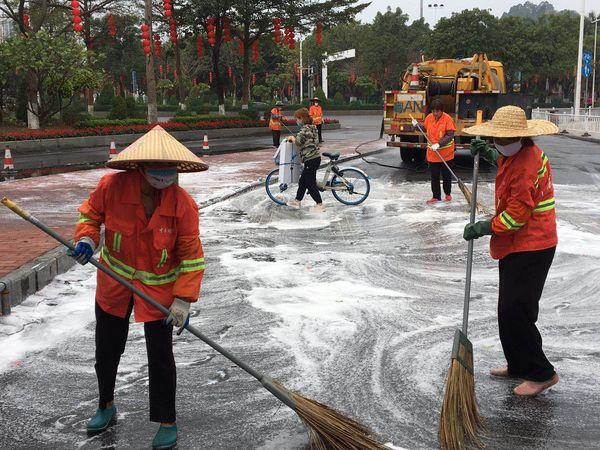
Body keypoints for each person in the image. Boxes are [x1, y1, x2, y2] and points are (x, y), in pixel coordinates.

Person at [70, 125, 207, 448]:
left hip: (159, 292)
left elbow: (191, 257)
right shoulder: (111, 187)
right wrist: (87, 239)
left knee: (161, 356)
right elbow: (90, 215)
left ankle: (167, 420)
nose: (164, 175)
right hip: (114, 283)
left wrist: (183, 301)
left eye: (169, 169)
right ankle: (105, 405)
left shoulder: (182, 204)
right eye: (157, 168)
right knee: (107, 350)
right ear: (141, 168)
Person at [463, 105, 559, 397]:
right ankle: (518, 364)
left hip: (534, 244)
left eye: (504, 140)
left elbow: (516, 217)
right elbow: (507, 162)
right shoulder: (518, 153)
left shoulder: (525, 164)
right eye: (497, 140)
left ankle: (542, 373)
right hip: (517, 244)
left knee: (516, 311)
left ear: (519, 136)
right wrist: (490, 153)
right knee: (507, 310)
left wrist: (484, 227)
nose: (500, 144)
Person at [417, 98, 456, 204]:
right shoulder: (429, 118)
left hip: (446, 154)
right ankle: (436, 196)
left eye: (437, 111)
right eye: (433, 111)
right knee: (434, 176)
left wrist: (439, 144)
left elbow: (450, 135)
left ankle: (447, 193)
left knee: (446, 175)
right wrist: (417, 125)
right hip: (433, 154)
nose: (435, 113)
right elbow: (424, 128)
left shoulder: (447, 119)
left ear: (442, 110)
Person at [286, 107, 324, 212]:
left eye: (297, 119)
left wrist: (292, 138)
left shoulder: (304, 129)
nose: (296, 121)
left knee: (310, 183)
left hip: (310, 159)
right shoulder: (313, 127)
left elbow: (298, 142)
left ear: (301, 119)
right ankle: (297, 201)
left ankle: (320, 205)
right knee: (302, 181)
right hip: (315, 158)